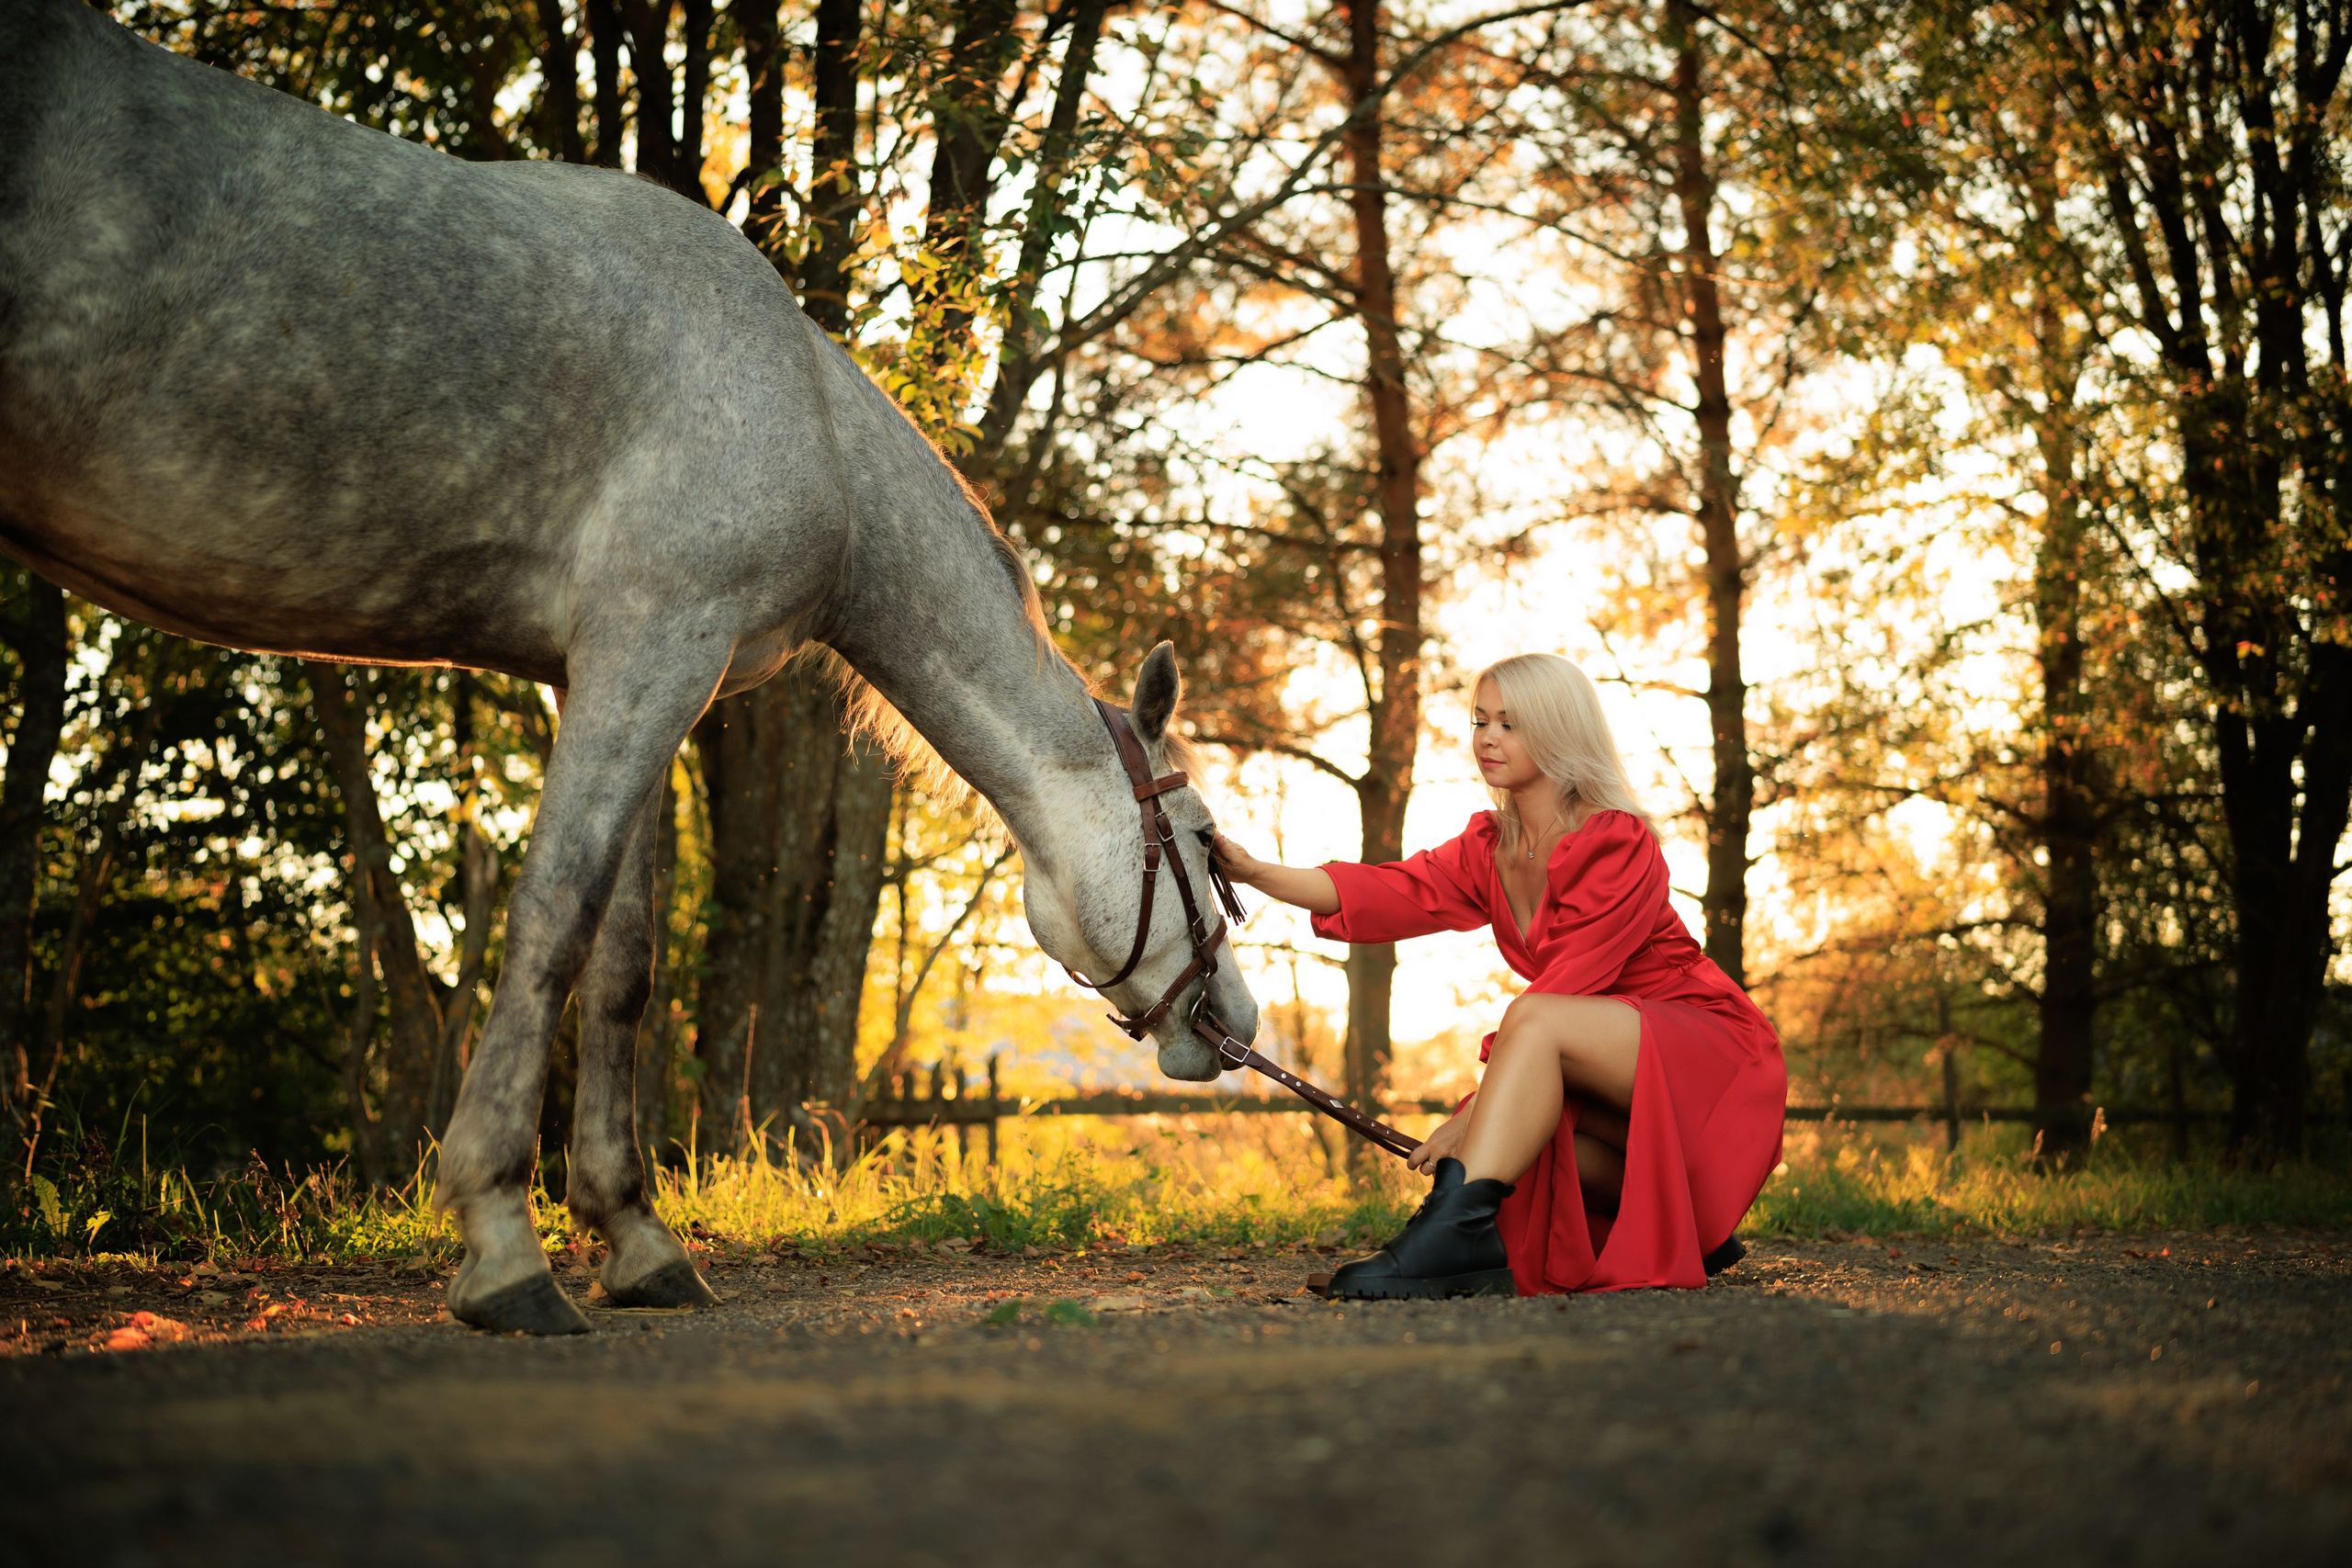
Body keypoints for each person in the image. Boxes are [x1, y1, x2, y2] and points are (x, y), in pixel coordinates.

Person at [1213, 652, 1785, 1298]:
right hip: (1605, 1055)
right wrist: (1255, 871)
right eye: (1480, 720)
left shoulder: (1616, 840)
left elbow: (1568, 985)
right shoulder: (1492, 846)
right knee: (1530, 1135)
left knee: (1532, 1030)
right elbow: (1390, 888)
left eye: (1510, 723)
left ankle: (1444, 1240)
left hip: (1708, 1052)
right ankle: (1684, 1226)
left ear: (1558, 729)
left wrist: (1471, 1114)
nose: (1487, 737)